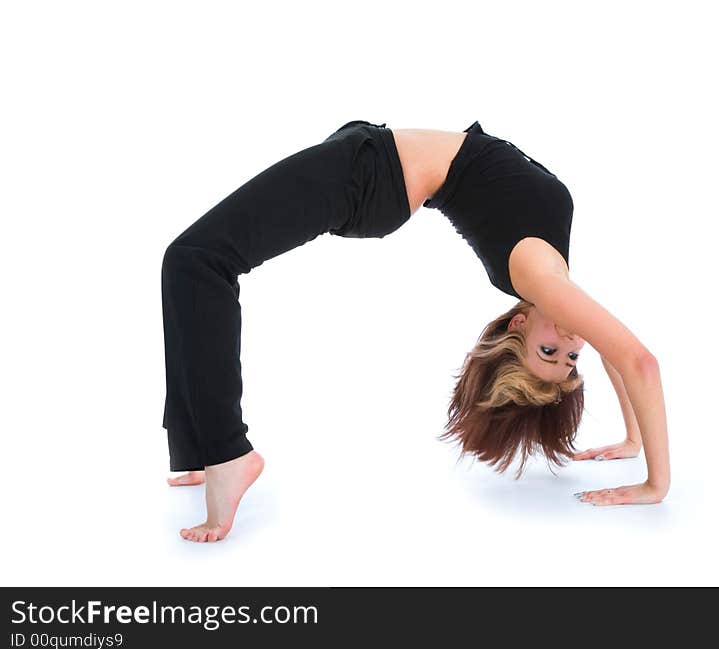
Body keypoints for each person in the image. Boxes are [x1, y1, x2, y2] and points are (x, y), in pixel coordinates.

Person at [161, 120, 670, 542]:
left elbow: (639, 361)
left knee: (197, 262)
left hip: (368, 172)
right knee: (193, 261)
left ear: (518, 328)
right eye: (569, 358)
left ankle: (228, 453)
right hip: (370, 163)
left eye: (547, 352)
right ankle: (203, 450)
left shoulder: (539, 281)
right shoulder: (556, 281)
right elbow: (615, 351)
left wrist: (657, 485)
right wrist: (631, 439)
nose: (569, 342)